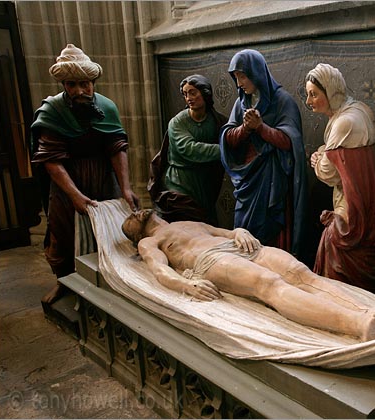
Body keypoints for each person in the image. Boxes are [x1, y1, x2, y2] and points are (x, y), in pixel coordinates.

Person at [121, 209, 375, 341]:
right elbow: (159, 270)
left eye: (134, 211)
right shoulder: (149, 242)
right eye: (129, 221)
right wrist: (187, 285)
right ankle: (358, 325)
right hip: (211, 260)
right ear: (135, 238)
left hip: (236, 246)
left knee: (301, 273)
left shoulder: (185, 221)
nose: (135, 213)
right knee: (270, 285)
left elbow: (226, 231)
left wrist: (240, 231)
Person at [31, 44, 139, 304]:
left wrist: (125, 187)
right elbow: (51, 160)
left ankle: (114, 280)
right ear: (63, 85)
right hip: (67, 181)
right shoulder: (52, 111)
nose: (79, 90)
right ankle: (64, 282)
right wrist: (75, 195)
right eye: (71, 84)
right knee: (62, 235)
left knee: (114, 231)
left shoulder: (107, 108)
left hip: (103, 178)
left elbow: (117, 148)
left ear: (93, 82)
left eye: (84, 84)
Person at [305, 63, 375, 298]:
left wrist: (317, 160)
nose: (309, 101)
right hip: (369, 203)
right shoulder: (358, 109)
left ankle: (342, 304)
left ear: (331, 91)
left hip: (355, 211)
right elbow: (338, 155)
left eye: (314, 94)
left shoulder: (345, 122)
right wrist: (325, 153)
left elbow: (329, 172)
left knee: (335, 249)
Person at [220, 49, 308, 259]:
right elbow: (229, 137)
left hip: (273, 181)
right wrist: (245, 129)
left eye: (242, 76)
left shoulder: (283, 101)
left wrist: (261, 128)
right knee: (244, 232)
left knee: (273, 231)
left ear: (256, 72)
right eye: (236, 78)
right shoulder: (241, 104)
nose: (239, 83)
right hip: (248, 180)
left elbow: (291, 142)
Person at [147, 74, 227, 224]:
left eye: (192, 92)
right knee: (184, 223)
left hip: (204, 183)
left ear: (205, 93)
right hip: (179, 181)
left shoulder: (217, 120)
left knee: (206, 226)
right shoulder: (178, 122)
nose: (188, 97)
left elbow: (231, 137)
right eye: (185, 94)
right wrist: (225, 151)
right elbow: (188, 149)